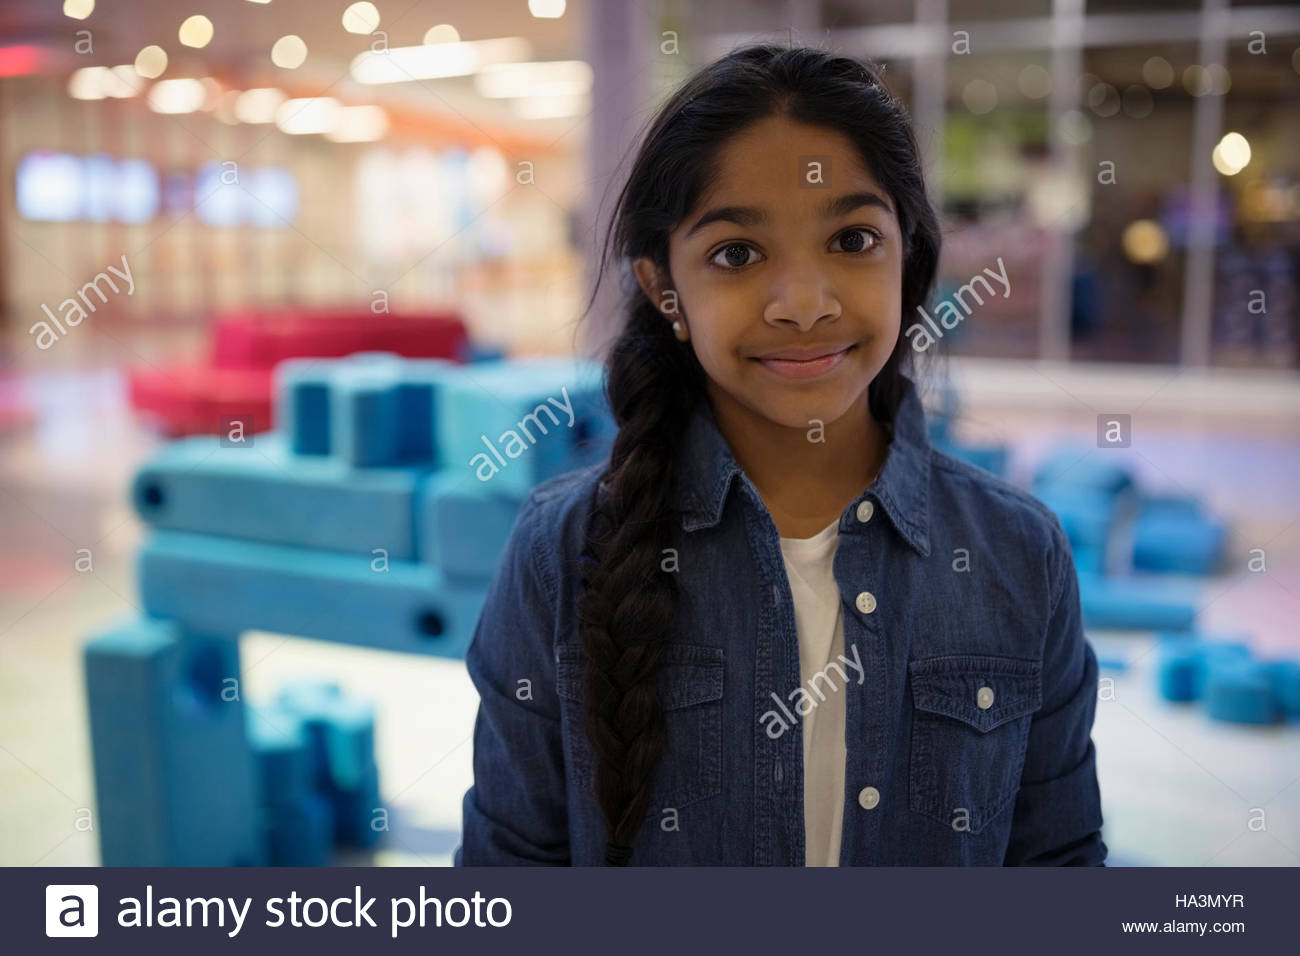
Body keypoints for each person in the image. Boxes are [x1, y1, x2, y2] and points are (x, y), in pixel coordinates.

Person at [455, 43, 1105, 866]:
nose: (805, 304)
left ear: (909, 261)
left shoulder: (1020, 555)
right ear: (666, 289)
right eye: (737, 254)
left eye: (852, 239)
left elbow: (1059, 864)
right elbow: (509, 876)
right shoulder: (561, 553)